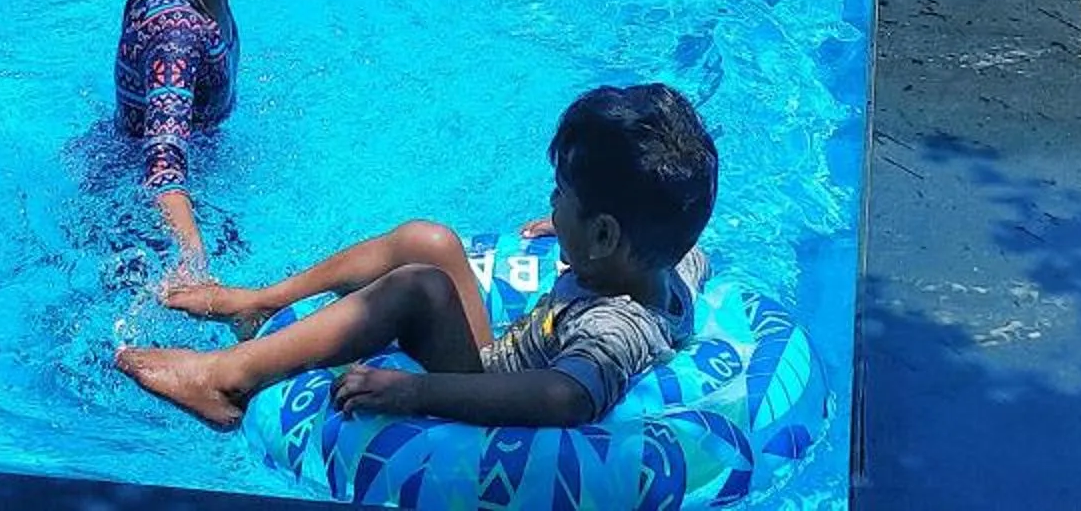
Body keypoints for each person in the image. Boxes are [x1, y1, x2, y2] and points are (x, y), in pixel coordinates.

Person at [119, 83, 717, 431]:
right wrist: (574, 232)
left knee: (418, 287)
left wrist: (415, 394)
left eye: (562, 197)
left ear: (608, 236)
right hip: (502, 348)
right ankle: (259, 303)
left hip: (488, 381)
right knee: (429, 240)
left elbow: (564, 396)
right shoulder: (665, 266)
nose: (551, 202)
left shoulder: (617, 327)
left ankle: (226, 379)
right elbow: (694, 250)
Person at [115, 0, 277, 279]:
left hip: (189, 178)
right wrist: (195, 268)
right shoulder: (177, 32)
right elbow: (162, 171)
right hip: (138, 213)